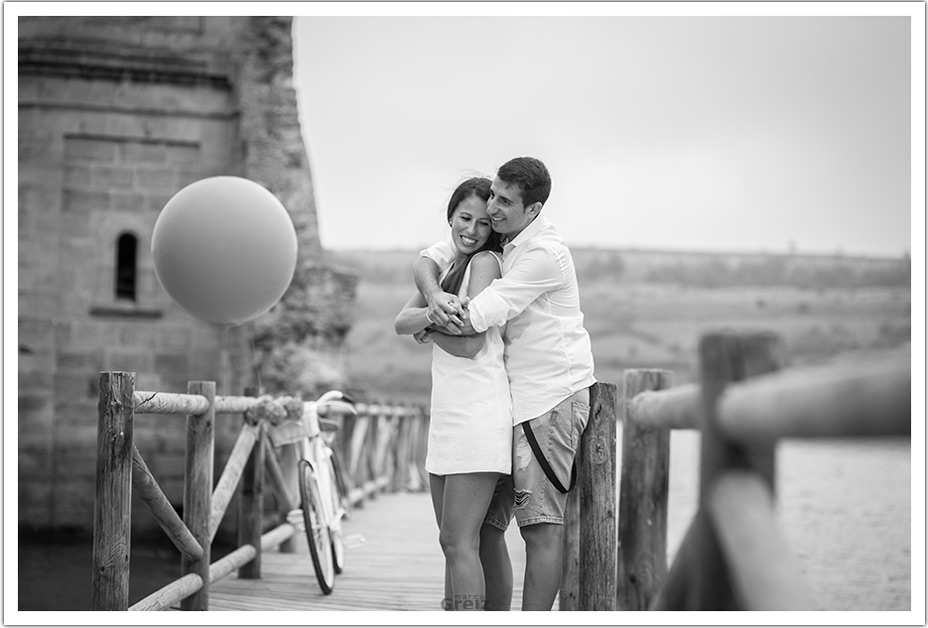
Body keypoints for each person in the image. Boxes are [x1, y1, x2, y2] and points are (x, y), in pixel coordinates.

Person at [414, 157, 596, 611]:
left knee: (539, 526)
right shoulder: (506, 242)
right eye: (493, 194)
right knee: (487, 529)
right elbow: (429, 260)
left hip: (550, 398)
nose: (493, 207)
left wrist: (424, 324)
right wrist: (432, 301)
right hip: (515, 401)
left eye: (504, 201)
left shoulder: (541, 255)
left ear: (532, 210)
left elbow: (477, 319)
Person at [394, 176, 514, 611]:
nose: (472, 230)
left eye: (484, 223)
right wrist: (431, 307)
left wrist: (427, 327)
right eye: (465, 218)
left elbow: (470, 343)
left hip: (478, 415)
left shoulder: (484, 263)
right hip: (448, 417)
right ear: (451, 216)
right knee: (467, 540)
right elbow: (399, 322)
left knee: (457, 540)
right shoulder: (448, 267)